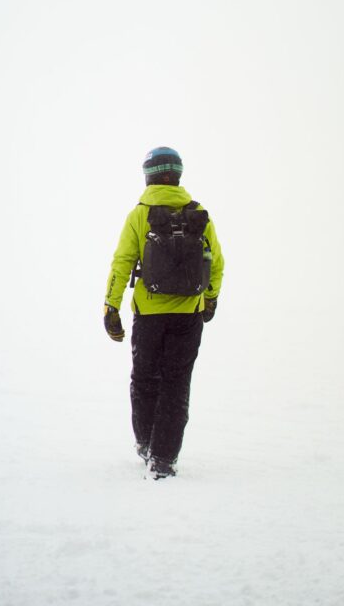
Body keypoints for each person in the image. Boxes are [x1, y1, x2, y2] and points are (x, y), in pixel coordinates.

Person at [103, 147, 224, 479]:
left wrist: (111, 307)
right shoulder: (199, 214)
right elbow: (217, 265)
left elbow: (122, 263)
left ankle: (145, 444)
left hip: (149, 315)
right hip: (189, 316)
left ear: (149, 176)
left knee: (144, 380)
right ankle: (164, 459)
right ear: (178, 175)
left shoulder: (139, 215)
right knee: (176, 383)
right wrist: (209, 300)